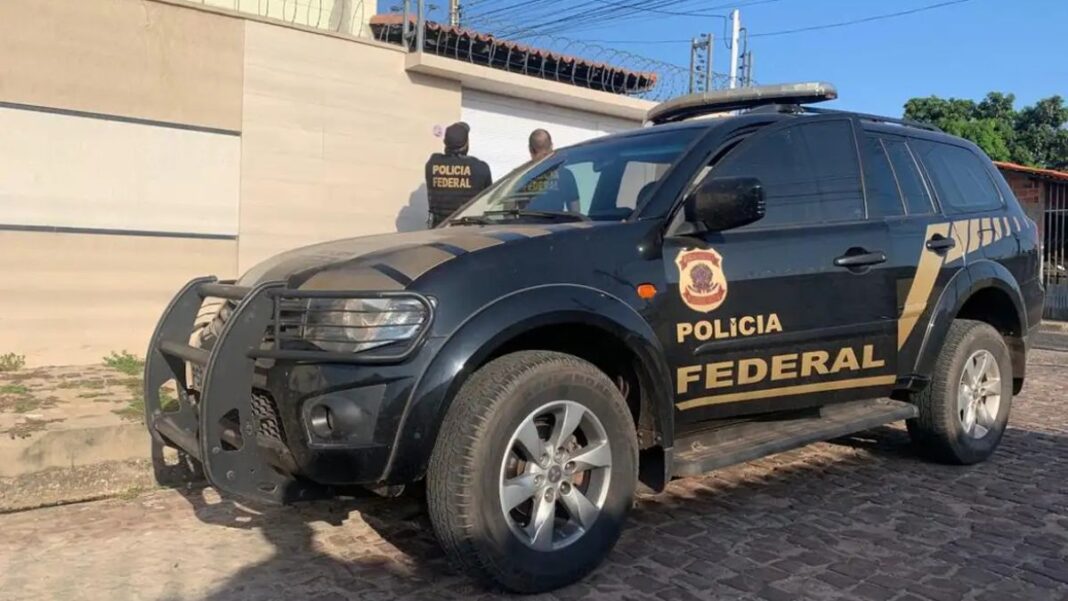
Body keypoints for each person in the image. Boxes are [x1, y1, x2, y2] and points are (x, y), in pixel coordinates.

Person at [424, 122, 492, 227]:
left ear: (445, 142)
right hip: (468, 229)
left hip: (438, 227)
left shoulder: (432, 164)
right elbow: (489, 199)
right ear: (466, 144)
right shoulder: (480, 167)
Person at [522, 129, 581, 213]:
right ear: (551, 146)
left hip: (528, 221)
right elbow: (575, 211)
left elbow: (510, 210)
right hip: (552, 221)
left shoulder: (522, 176)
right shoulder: (565, 175)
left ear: (530, 149)